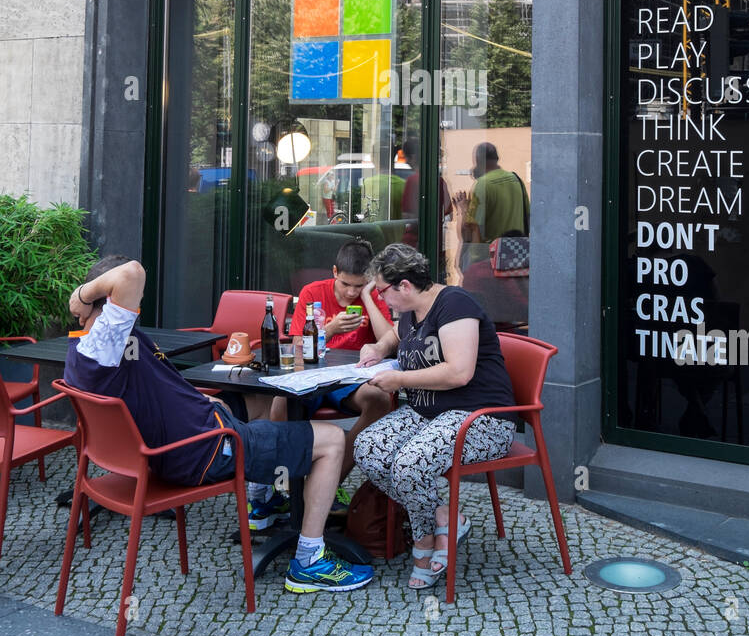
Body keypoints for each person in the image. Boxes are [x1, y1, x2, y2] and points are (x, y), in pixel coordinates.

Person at [64, 256, 373, 594]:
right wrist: (80, 295)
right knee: (332, 439)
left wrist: (201, 401)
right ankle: (309, 561)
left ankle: (264, 499)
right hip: (205, 450)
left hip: (182, 440)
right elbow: (132, 272)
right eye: (132, 301)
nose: (138, 305)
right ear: (109, 302)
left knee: (263, 399)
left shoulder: (82, 350)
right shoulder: (104, 344)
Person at [352, 243, 517, 589]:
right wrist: (378, 348)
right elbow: (396, 336)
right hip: (429, 413)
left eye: (383, 292)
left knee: (409, 463)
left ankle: (424, 542)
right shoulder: (411, 311)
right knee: (368, 449)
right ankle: (445, 516)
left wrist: (398, 379)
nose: (383, 300)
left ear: (405, 286)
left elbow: (459, 373)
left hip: (481, 418)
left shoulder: (454, 305)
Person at [249, 239, 393, 526]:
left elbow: (389, 339)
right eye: (345, 284)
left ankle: (327, 481)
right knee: (280, 403)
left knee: (380, 401)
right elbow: (297, 345)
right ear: (334, 271)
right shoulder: (312, 292)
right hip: (312, 372)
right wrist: (329, 328)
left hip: (351, 377)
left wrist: (367, 298)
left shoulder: (371, 297)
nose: (351, 291)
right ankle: (280, 486)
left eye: (359, 285)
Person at [452, 142, 529, 268]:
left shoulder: (483, 184)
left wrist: (462, 209)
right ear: (497, 158)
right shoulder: (516, 180)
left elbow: (471, 230)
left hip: (489, 259)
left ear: (478, 161)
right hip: (516, 255)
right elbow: (529, 217)